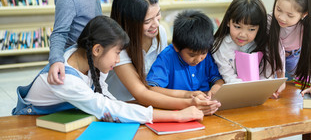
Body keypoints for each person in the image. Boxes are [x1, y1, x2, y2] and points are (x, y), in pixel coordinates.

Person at [12, 16, 203, 124]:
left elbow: (106, 101)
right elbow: (107, 108)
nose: (119, 60)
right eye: (117, 53)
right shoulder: (65, 78)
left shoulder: (88, 58)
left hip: (66, 119)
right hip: (32, 124)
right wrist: (176, 115)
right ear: (97, 49)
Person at [106, 0, 220, 115]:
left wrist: (190, 97)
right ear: (129, 23)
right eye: (147, 21)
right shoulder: (117, 46)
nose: (156, 24)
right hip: (122, 106)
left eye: (158, 15)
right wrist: (188, 101)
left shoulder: (159, 32)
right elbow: (142, 92)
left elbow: (164, 72)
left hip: (152, 104)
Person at [146, 10, 225, 99]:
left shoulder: (206, 54)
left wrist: (216, 87)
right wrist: (185, 94)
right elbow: (151, 89)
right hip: (177, 107)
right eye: (192, 55)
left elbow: (218, 79)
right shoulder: (166, 58)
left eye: (203, 53)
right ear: (176, 46)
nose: (198, 59)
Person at [211, 0, 269, 83]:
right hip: (233, 90)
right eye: (237, 27)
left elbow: (265, 74)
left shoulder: (261, 43)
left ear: (259, 28)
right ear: (228, 22)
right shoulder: (220, 46)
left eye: (251, 29)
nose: (243, 34)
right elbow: (229, 77)